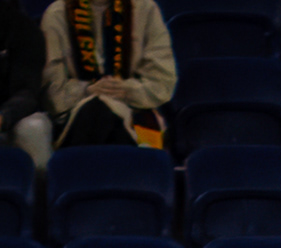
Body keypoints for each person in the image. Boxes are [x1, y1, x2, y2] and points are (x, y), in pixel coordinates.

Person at [42, 0, 175, 149]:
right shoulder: (57, 13)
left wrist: (126, 90)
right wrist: (86, 90)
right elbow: (53, 94)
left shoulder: (145, 9)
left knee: (108, 114)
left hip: (136, 110)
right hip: (75, 115)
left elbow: (162, 83)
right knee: (97, 111)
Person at [1, 0, 50, 167]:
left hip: (12, 114)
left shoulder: (22, 29)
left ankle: (39, 183)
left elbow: (27, 92)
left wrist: (4, 117)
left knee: (34, 128)